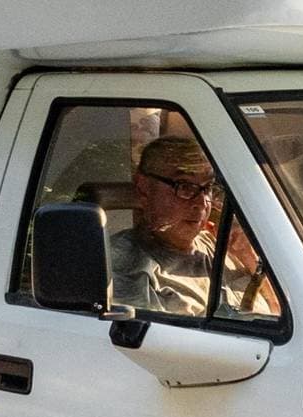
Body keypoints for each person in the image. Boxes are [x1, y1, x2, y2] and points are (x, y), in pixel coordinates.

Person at [108, 135, 276, 318]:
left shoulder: (221, 245)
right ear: (144, 188)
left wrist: (249, 258)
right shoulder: (126, 266)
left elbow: (279, 311)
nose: (202, 202)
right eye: (185, 186)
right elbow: (151, 343)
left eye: (208, 188)